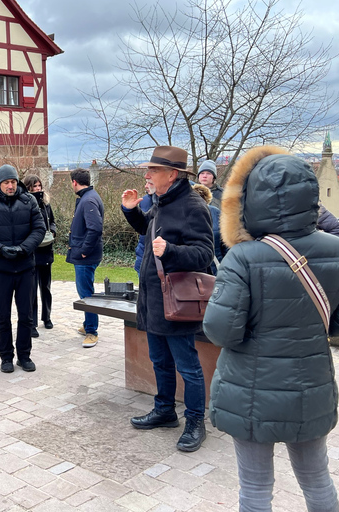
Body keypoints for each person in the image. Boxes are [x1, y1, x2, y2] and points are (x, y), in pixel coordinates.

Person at [203, 146, 339, 511]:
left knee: (255, 490)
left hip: (249, 390)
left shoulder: (243, 257)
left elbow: (220, 331)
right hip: (310, 386)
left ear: (250, 199)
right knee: (317, 480)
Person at [122, 145, 213, 453]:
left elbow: (204, 255)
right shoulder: (161, 202)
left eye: (154, 170)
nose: (147, 175)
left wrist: (172, 252)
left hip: (177, 302)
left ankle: (196, 422)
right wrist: (132, 211)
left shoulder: (192, 206)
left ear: (172, 175)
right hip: (153, 299)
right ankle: (164, 411)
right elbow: (149, 232)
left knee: (188, 366)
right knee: (159, 360)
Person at [0, 164, 45, 373]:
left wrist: (25, 248)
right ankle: (6, 357)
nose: (11, 186)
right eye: (6, 182)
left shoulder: (29, 201)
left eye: (13, 182)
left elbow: (39, 228)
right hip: (1, 268)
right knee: (3, 316)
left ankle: (24, 356)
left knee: (26, 316)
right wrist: (1, 249)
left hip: (25, 267)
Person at [67, 168, 104, 348]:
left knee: (86, 294)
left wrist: (84, 251)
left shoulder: (88, 199)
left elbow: (95, 228)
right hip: (86, 255)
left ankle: (92, 331)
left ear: (74, 182)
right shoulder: (88, 196)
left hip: (86, 257)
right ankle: (87, 324)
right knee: (86, 291)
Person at [23, 174, 56, 334]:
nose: (37, 189)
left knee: (46, 287)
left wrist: (53, 233)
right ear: (28, 188)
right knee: (31, 290)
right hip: (33, 252)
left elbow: (53, 222)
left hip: (46, 250)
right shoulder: (26, 205)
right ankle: (32, 323)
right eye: (34, 186)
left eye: (39, 186)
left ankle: (47, 317)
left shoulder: (46, 204)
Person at [192, 184, 227, 275]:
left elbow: (226, 244)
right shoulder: (182, 215)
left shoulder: (215, 212)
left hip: (218, 269)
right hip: (193, 273)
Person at [129, 179, 155, 275]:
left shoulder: (167, 203)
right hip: (143, 252)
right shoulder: (144, 201)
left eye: (150, 183)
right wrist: (130, 210)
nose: (146, 186)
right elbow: (143, 227)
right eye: (146, 182)